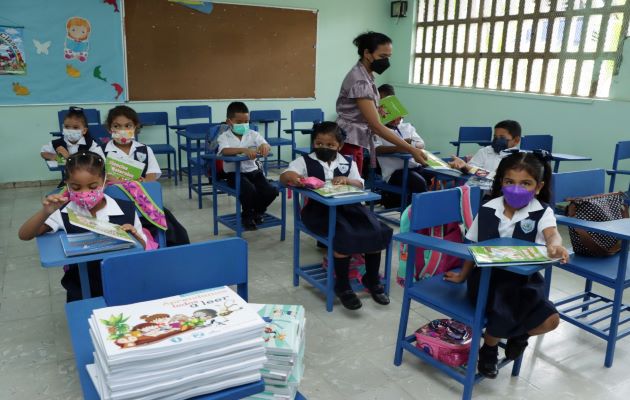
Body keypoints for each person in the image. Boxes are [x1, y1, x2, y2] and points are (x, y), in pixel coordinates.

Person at [443, 151, 569, 378]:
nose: (516, 188)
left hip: (525, 281)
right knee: (505, 307)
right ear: (501, 182)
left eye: (526, 183)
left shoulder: (542, 211)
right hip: (487, 282)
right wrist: (462, 276)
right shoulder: (489, 207)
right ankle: (489, 348)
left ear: (538, 187)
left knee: (551, 320)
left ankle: (519, 336)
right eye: (510, 182)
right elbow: (472, 244)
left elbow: (552, 235)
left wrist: (555, 245)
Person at [280, 122, 393, 310]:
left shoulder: (348, 161)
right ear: (313, 143)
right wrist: (294, 178)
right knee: (344, 234)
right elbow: (286, 175)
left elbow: (359, 184)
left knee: (377, 230)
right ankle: (343, 284)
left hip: (350, 208)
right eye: (319, 144)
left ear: (339, 146)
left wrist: (348, 180)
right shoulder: (305, 161)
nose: (324, 148)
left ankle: (372, 279)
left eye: (330, 145)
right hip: (318, 212)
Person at [18, 151, 147, 302]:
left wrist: (135, 237)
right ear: (67, 184)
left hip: (122, 280)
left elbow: (143, 247)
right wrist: (45, 212)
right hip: (82, 284)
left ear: (104, 182)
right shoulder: (65, 211)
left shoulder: (126, 209)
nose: (85, 193)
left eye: (93, 186)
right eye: (76, 187)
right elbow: (24, 235)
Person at [336, 31, 426, 175]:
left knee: (352, 184)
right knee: (347, 186)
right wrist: (411, 149)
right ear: (367, 53)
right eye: (382, 56)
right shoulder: (360, 80)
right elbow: (376, 126)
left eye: (388, 57)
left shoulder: (366, 74)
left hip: (355, 140)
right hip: (348, 142)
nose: (386, 61)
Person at [217, 101, 279, 230]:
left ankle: (258, 211)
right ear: (229, 122)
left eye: (246, 121)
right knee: (249, 190)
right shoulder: (224, 136)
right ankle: (247, 215)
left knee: (271, 191)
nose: (243, 125)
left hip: (254, 171)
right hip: (234, 174)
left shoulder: (253, 134)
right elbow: (224, 151)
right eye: (239, 122)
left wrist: (264, 146)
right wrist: (243, 150)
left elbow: (266, 144)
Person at [374, 84, 429, 205]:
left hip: (415, 166)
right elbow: (376, 149)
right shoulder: (377, 129)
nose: (396, 120)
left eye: (399, 117)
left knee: (435, 175)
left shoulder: (407, 127)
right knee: (419, 182)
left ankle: (417, 208)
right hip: (395, 172)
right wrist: (399, 147)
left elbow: (421, 143)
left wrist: (411, 143)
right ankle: (420, 216)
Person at [101, 105, 161, 182]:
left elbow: (152, 176)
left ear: (135, 127)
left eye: (128, 126)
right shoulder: (100, 151)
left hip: (140, 192)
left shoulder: (145, 150)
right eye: (116, 126)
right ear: (109, 129)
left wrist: (145, 181)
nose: (123, 130)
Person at [449, 120, 522, 178]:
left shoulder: (519, 158)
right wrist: (463, 166)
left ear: (516, 140)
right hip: (480, 192)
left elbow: (495, 177)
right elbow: (470, 169)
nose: (497, 140)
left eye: (502, 137)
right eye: (495, 137)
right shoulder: (485, 151)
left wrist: (468, 167)